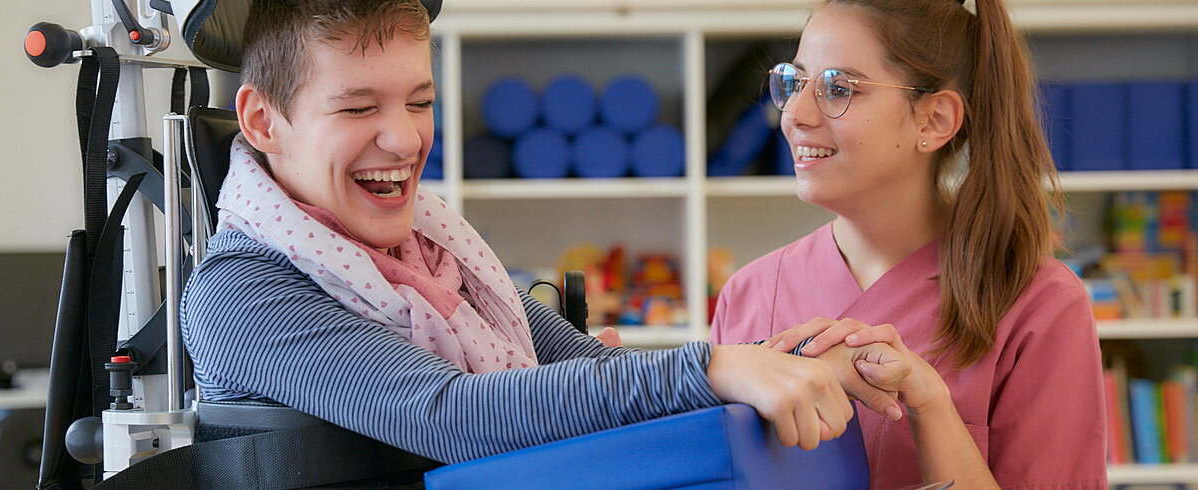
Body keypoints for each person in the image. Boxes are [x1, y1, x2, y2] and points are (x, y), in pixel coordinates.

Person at [180, 0, 912, 480]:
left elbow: (586, 367)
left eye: (422, 101)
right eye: (358, 106)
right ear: (263, 120)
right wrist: (719, 366)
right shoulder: (241, 291)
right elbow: (454, 415)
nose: (405, 137)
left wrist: (780, 362)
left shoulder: (440, 254)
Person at [710, 0, 1107, 488]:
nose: (795, 113)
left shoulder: (1041, 305)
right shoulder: (747, 294)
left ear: (935, 120)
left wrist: (930, 405)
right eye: (794, 81)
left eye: (838, 88)